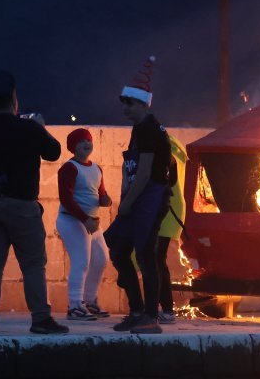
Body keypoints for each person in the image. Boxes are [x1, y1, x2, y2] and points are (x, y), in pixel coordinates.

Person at [0, 70, 69, 334]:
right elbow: (54, 152)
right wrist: (39, 127)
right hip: (21, 205)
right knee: (33, 262)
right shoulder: (29, 129)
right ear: (14, 99)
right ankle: (40, 319)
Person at [104, 57, 171, 334]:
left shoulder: (150, 130)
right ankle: (136, 310)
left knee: (146, 256)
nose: (125, 109)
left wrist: (126, 204)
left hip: (150, 200)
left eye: (129, 104)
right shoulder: (139, 129)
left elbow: (144, 173)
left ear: (143, 104)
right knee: (120, 252)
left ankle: (150, 316)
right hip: (138, 199)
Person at [56, 128, 112, 321]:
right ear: (73, 147)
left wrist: (105, 200)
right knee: (81, 261)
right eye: (81, 142)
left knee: (101, 258)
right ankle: (75, 306)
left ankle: (89, 301)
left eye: (88, 140)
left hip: (92, 223)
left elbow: (100, 192)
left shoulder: (96, 168)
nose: (86, 144)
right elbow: (66, 198)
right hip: (72, 220)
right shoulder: (69, 168)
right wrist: (84, 219)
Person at [154, 135, 188, 324]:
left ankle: (166, 309)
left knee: (157, 259)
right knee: (157, 259)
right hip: (169, 210)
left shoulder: (167, 158)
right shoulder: (173, 156)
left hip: (168, 211)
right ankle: (162, 308)